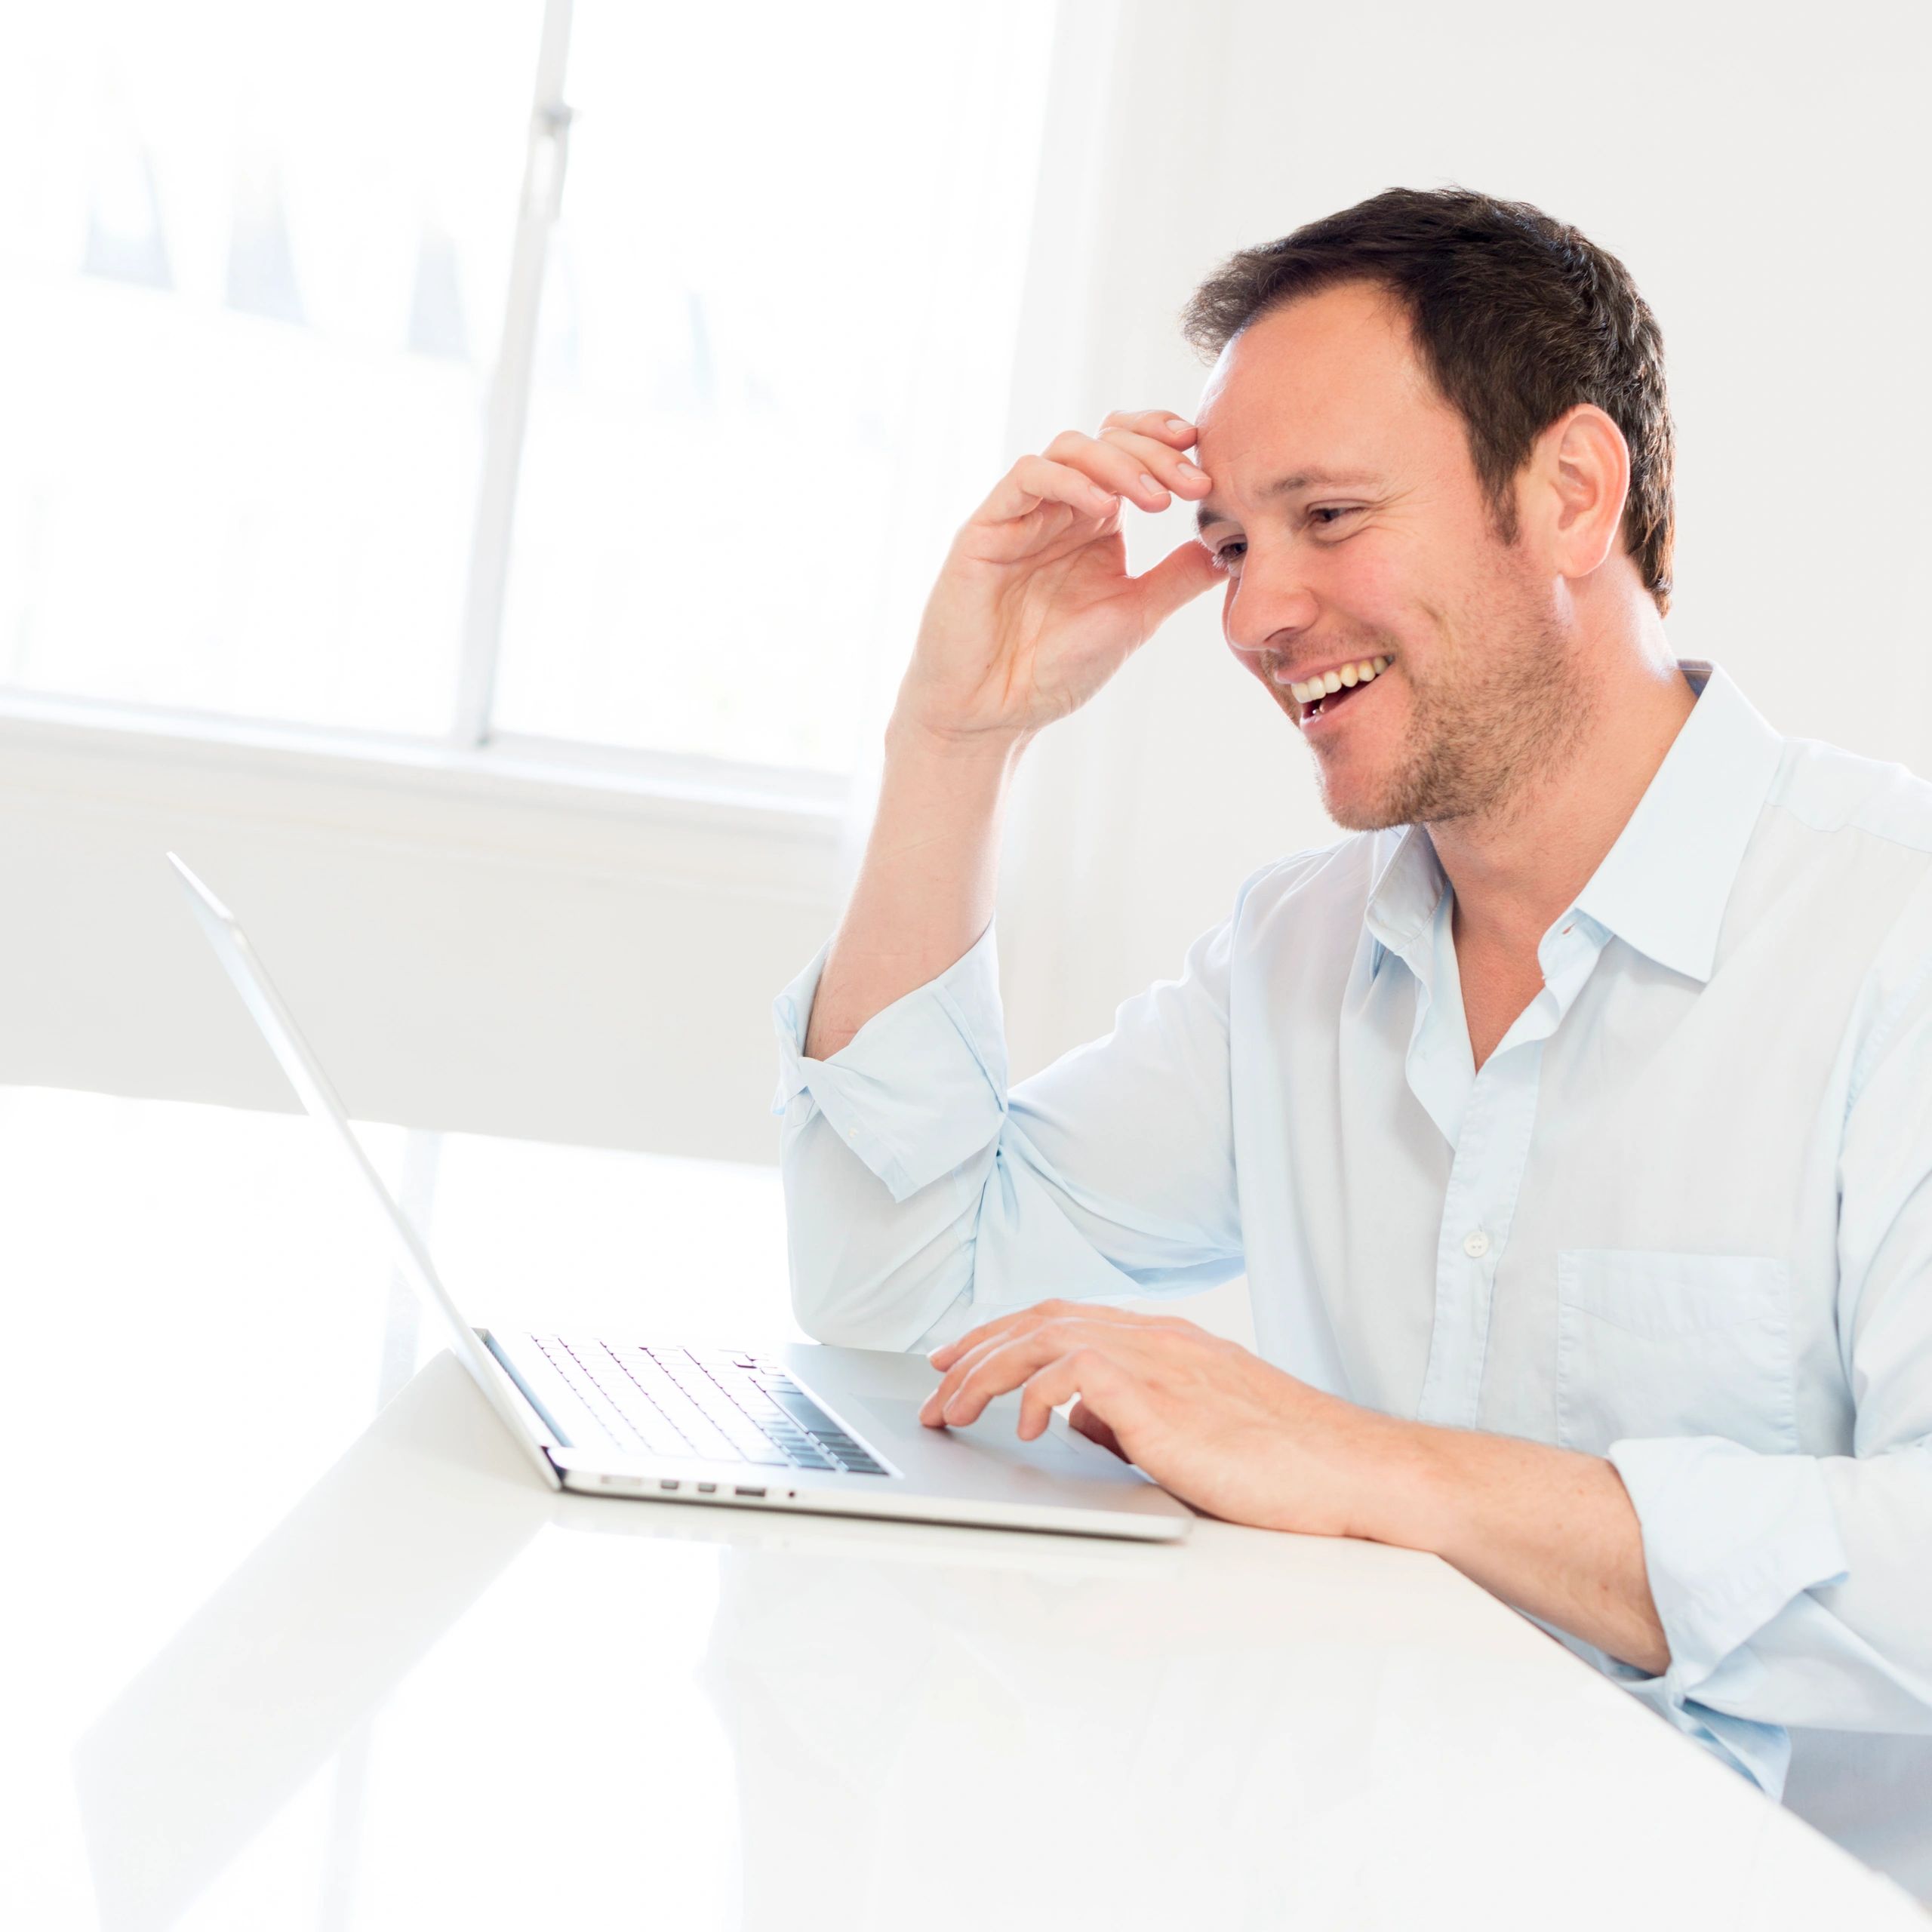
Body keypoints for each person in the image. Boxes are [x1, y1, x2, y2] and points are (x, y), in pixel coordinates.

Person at [769, 186, 1932, 1869]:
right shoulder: (1300, 954)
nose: (1249, 616)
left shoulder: (1887, 939)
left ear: (1567, 493)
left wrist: (1371, 1466)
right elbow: (898, 1307)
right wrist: (954, 741)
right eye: (1235, 542)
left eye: (1326, 515)